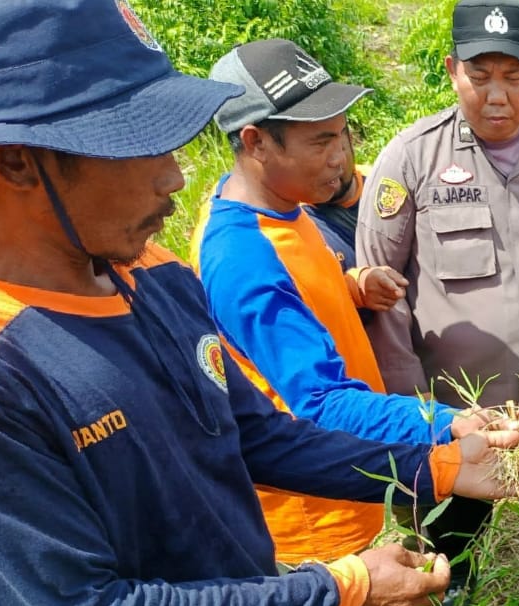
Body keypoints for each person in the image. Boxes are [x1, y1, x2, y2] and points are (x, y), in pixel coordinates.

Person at [0, 2, 519, 606]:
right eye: (138, 143)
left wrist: (437, 463)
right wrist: (338, 591)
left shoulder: (152, 273)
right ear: (14, 159)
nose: (174, 178)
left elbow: (250, 433)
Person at [193, 38, 497, 565]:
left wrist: (353, 286)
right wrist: (448, 423)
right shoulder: (243, 258)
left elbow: (300, 295)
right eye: (321, 142)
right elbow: (320, 401)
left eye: (343, 134)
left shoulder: (284, 208)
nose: (342, 156)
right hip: (310, 522)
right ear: (256, 141)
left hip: (347, 484)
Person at [357, 0, 519, 606]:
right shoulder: (410, 158)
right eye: (480, 74)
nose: (496, 95)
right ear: (452, 70)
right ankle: (456, 576)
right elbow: (379, 288)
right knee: (453, 510)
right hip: (454, 407)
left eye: (514, 75)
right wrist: (409, 401)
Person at [305, 127, 369, 272]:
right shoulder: (295, 217)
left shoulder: (383, 183)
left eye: (339, 150)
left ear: (351, 142)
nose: (332, 163)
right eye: (316, 155)